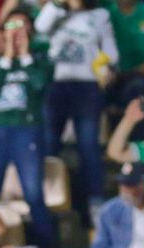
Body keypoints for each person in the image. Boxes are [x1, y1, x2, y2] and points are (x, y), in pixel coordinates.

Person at [0, 15, 56, 248]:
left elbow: (40, 85)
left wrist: (25, 55)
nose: (4, 43)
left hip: (26, 131)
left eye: (10, 37)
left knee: (34, 195)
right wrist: (6, 57)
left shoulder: (38, 63)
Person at [35, 0, 115, 209]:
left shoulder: (99, 15)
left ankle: (95, 204)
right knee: (49, 143)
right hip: (56, 85)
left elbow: (111, 53)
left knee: (88, 146)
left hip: (87, 86)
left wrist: (106, 67)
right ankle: (45, 200)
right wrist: (59, 5)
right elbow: (40, 27)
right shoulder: (54, 11)